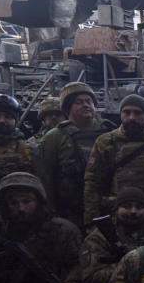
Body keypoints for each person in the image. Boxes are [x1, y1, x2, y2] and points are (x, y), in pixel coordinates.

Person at [83, 94, 144, 227]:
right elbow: (92, 183)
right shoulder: (106, 142)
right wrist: (91, 221)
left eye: (138, 113)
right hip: (115, 216)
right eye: (127, 112)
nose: (132, 117)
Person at [35, 82, 115, 228]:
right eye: (78, 102)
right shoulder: (54, 138)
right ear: (67, 108)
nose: (85, 105)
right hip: (70, 215)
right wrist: (51, 215)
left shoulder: (109, 133)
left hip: (107, 209)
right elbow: (45, 178)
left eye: (88, 101)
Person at [79, 187, 144, 283]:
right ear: (116, 209)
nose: (133, 211)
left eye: (139, 207)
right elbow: (91, 279)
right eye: (127, 206)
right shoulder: (100, 236)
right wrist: (128, 268)